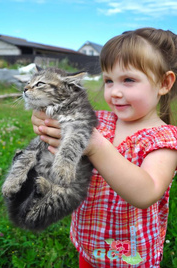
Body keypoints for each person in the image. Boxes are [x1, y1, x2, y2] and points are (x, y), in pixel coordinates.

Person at [31, 28, 177, 267]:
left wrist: (97, 148)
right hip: (89, 243)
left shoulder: (164, 140)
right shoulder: (101, 121)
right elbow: (59, 117)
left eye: (128, 80)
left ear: (164, 83)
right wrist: (42, 118)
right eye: (109, 80)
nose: (115, 92)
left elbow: (146, 193)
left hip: (132, 256)